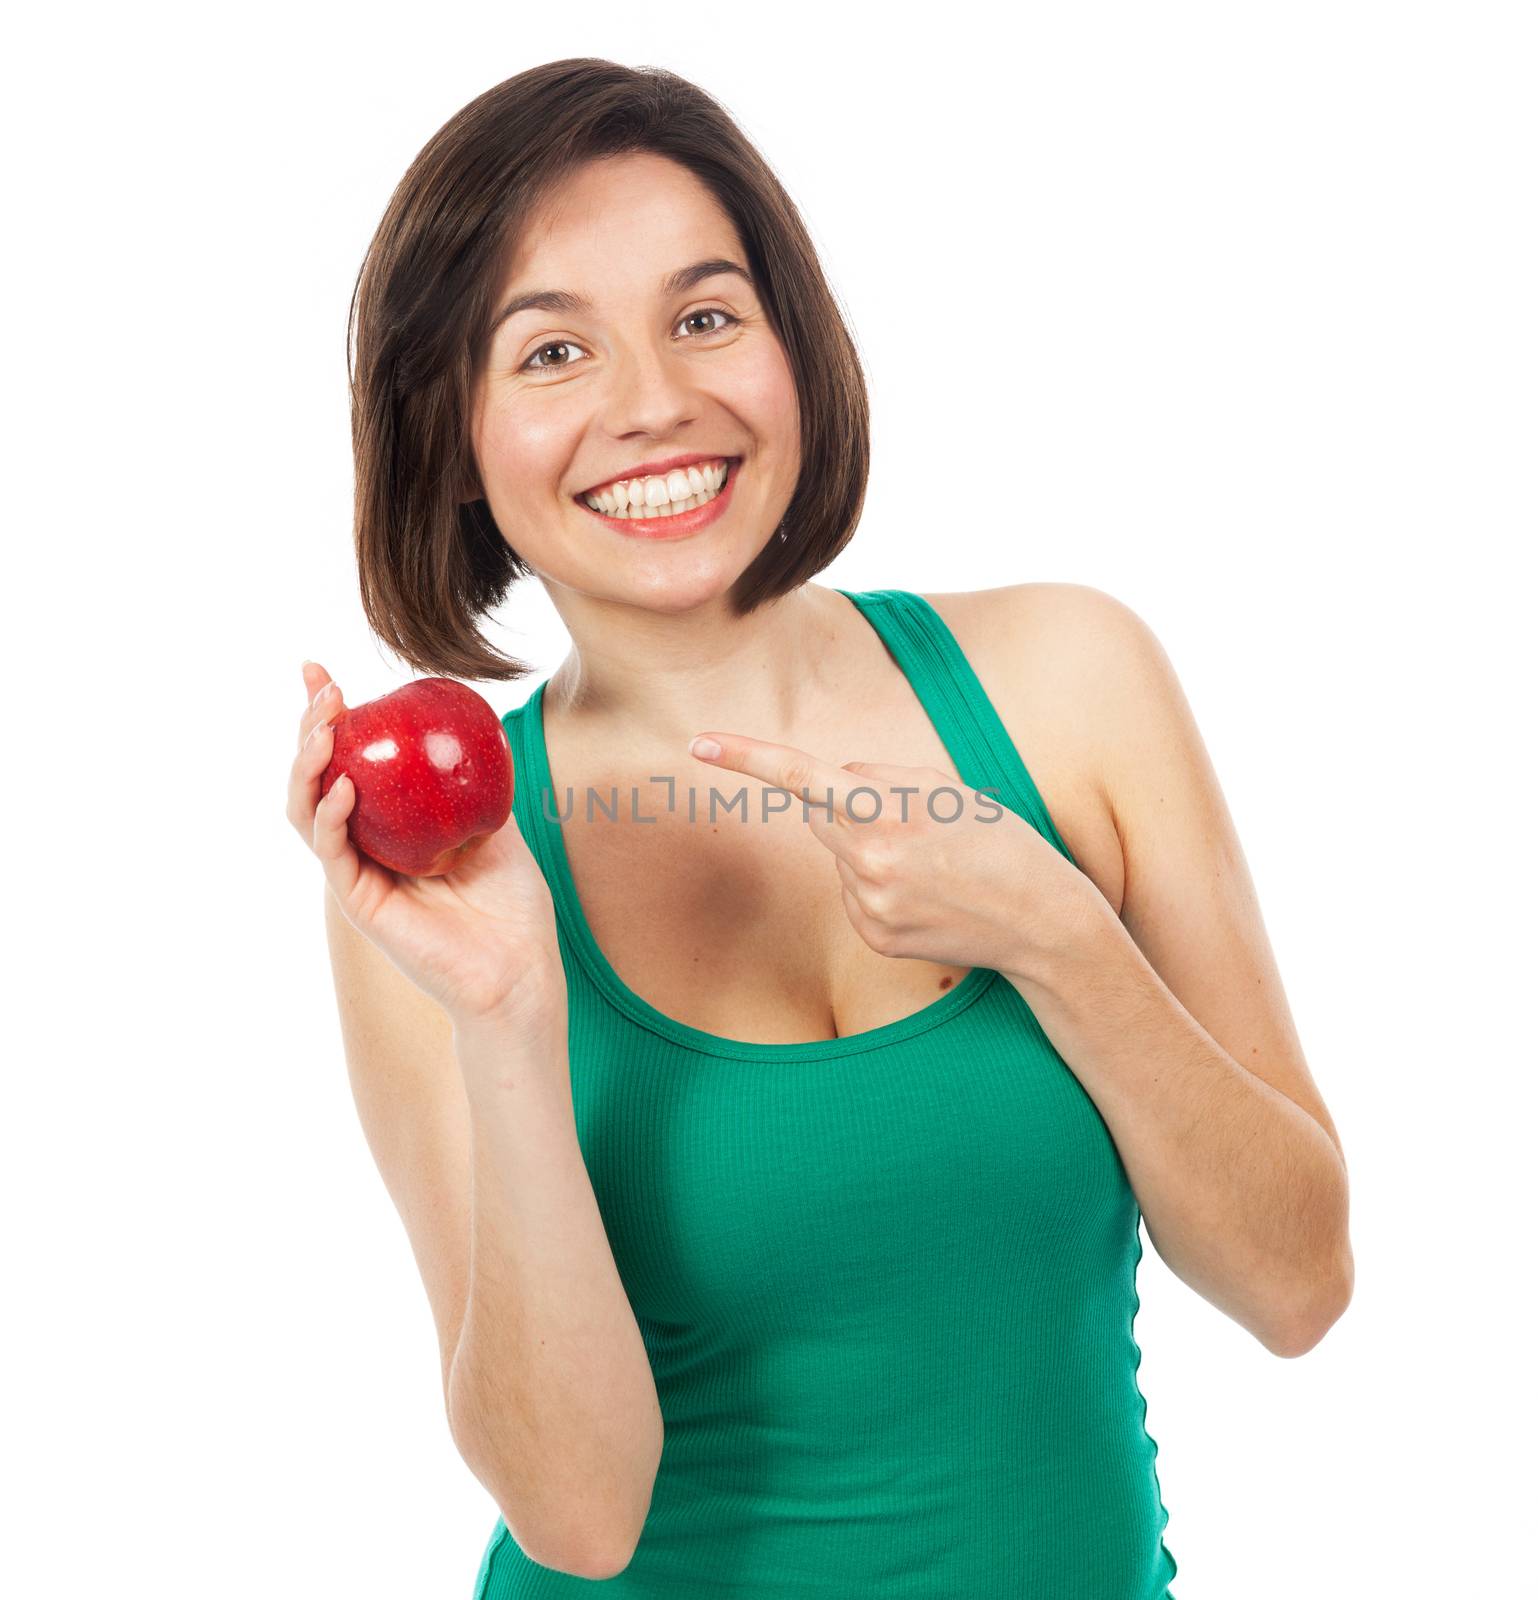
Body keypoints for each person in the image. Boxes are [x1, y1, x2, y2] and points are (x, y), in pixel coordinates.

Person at [286, 59, 1352, 1599]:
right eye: (552, 351)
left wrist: (1056, 938)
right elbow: (577, 1518)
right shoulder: (446, 879)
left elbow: (1297, 1285)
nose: (653, 402)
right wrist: (511, 1020)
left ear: (797, 348)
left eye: (706, 317)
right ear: (448, 440)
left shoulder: (1069, 682)